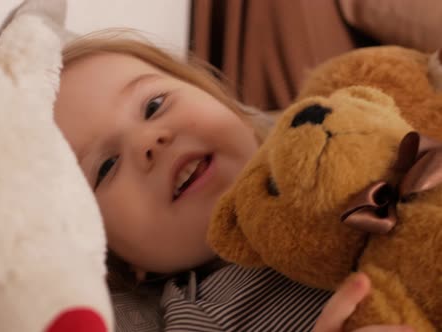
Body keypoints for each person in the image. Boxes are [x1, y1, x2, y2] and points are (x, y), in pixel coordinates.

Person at [53, 31, 414, 332]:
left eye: (154, 105)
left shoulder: (347, 140)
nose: (148, 142)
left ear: (225, 104)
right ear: (113, 257)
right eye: (107, 166)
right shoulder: (194, 317)